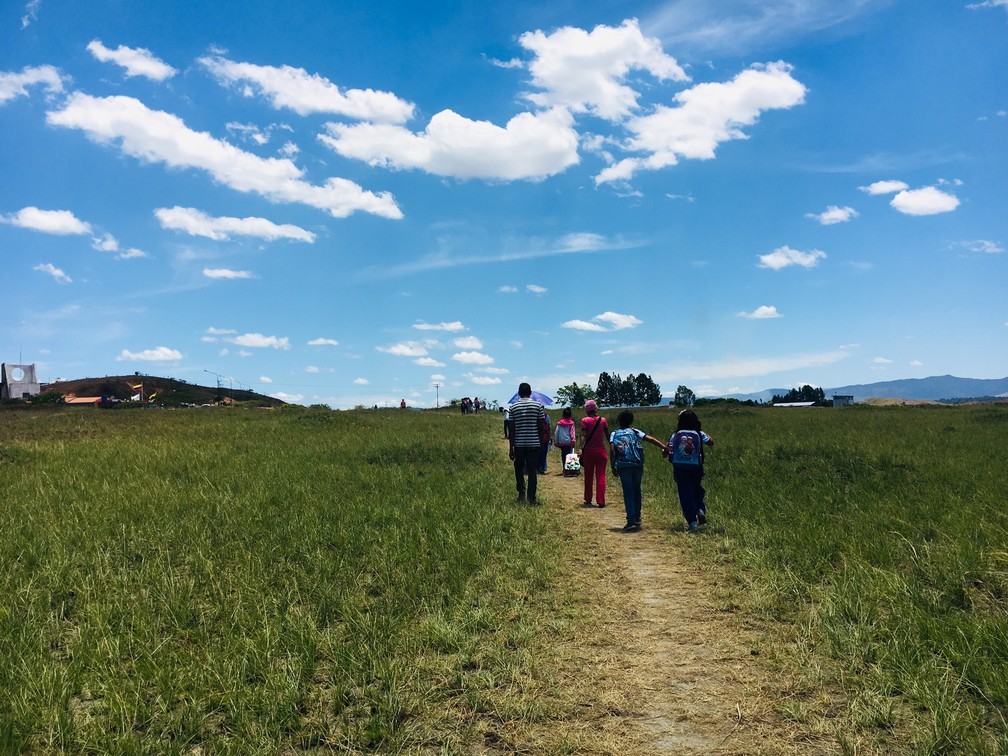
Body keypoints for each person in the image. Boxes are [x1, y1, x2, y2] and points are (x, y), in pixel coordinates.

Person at [608, 410, 667, 531]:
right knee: (637, 490)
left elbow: (612, 449)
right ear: (631, 421)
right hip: (637, 464)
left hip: (623, 465)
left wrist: (613, 466)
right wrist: (664, 447)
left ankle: (630, 520)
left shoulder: (614, 433)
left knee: (628, 492)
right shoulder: (635, 431)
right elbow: (649, 439)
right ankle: (637, 518)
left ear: (619, 420)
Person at [668, 409, 714, 532]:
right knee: (697, 488)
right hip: (696, 466)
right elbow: (711, 442)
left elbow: (670, 447)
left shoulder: (676, 434)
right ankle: (700, 509)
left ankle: (692, 522)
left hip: (679, 468)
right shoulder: (698, 433)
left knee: (685, 493)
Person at [508, 383, 547, 504]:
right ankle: (532, 498)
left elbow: (511, 429)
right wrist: (541, 443)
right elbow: (541, 427)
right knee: (532, 471)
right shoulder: (538, 406)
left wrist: (511, 448)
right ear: (530, 393)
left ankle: (521, 493)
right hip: (534, 444)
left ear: (519, 393)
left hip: (519, 444)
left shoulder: (513, 408)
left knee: (519, 469)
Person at [579, 400, 609, 507]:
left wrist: (580, 448)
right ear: (595, 409)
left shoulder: (585, 421)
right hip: (601, 451)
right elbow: (607, 435)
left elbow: (583, 435)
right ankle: (601, 500)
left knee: (588, 476)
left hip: (589, 452)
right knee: (601, 476)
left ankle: (588, 498)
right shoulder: (603, 420)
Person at [554, 408, 577, 472]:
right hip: (568, 442)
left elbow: (556, 432)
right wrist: (573, 440)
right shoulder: (571, 423)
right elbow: (572, 433)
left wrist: (556, 441)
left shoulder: (559, 423)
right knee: (569, 455)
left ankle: (565, 468)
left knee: (563, 455)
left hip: (561, 441)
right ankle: (568, 468)